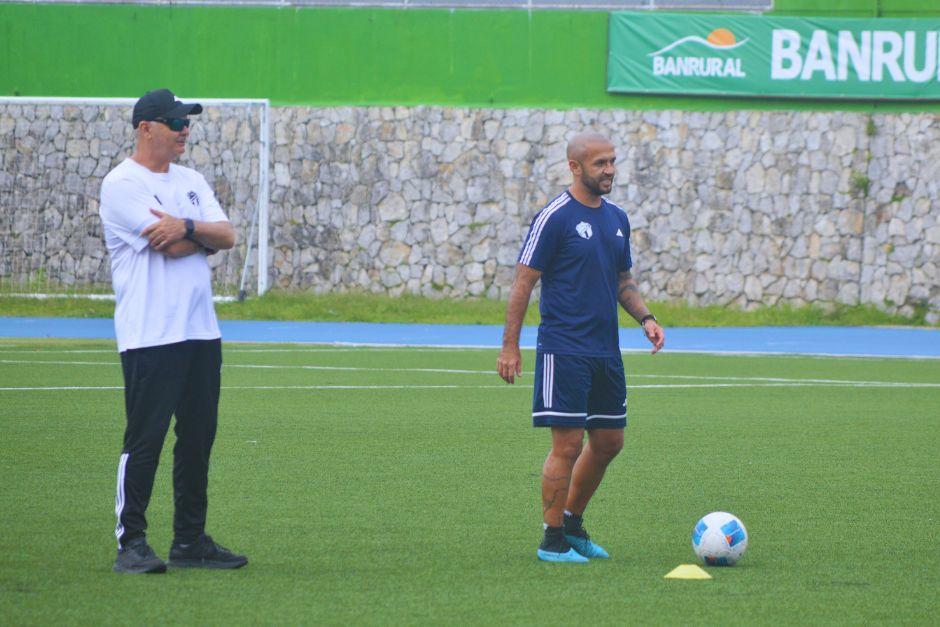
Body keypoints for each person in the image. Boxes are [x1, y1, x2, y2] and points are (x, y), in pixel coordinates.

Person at [497, 132, 665, 563]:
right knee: (567, 446)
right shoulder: (555, 217)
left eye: (612, 162)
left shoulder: (617, 219)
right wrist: (510, 347)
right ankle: (551, 540)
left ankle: (572, 525)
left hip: (605, 352)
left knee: (609, 442)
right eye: (600, 164)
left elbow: (621, 280)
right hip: (564, 349)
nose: (609, 170)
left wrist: (645, 317)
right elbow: (523, 282)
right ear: (575, 167)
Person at [99, 88, 247, 573]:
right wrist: (199, 235)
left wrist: (187, 226)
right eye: (175, 122)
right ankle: (131, 544)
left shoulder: (190, 180)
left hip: (201, 333)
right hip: (151, 334)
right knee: (145, 438)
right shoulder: (122, 184)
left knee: (198, 436)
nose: (185, 130)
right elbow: (170, 247)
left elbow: (226, 235)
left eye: (187, 122)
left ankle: (189, 541)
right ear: (146, 129)